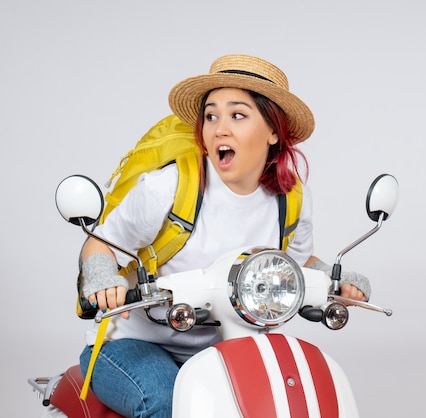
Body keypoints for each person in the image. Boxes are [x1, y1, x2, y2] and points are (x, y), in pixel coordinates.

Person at [78, 54, 371, 417]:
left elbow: (293, 263)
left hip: (226, 348)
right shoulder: (168, 187)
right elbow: (102, 242)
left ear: (273, 131)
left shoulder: (290, 197)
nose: (219, 128)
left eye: (237, 115)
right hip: (135, 343)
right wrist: (103, 278)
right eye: (211, 116)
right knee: (167, 404)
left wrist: (336, 280)